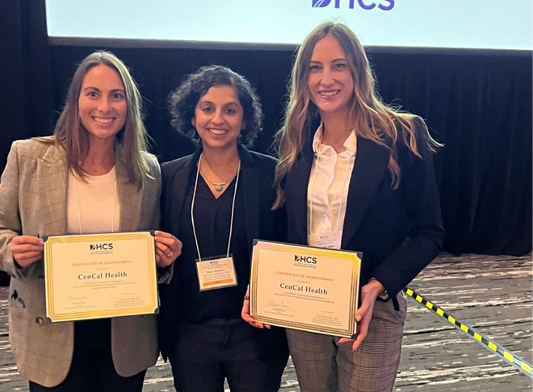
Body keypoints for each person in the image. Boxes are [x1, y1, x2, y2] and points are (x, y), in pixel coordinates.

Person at [245, 22, 445, 392]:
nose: (326, 79)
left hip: (373, 305)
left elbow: (429, 232)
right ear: (303, 78)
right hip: (305, 303)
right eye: (315, 68)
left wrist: (378, 286)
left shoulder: (402, 135)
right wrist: (262, 283)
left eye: (338, 65)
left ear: (357, 71)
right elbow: (286, 232)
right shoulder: (296, 143)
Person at [0, 51, 181, 391]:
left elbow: (150, 246)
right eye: (93, 94)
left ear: (128, 106)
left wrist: (163, 259)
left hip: (124, 332)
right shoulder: (28, 157)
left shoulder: (147, 170)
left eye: (116, 96)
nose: (105, 107)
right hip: (51, 330)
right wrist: (12, 250)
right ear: (75, 101)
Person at [158, 65, 289, 392]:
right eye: (207, 108)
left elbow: (289, 246)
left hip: (255, 333)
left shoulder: (272, 176)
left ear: (244, 121)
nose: (218, 119)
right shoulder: (168, 177)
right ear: (192, 116)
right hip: (190, 334)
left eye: (230, 110)